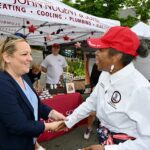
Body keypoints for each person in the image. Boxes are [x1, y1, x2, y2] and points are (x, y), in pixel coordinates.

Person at [56, 26, 150, 150]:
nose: (96, 53)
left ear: (116, 56)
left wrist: (108, 149)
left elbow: (147, 142)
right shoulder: (105, 74)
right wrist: (68, 121)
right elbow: (92, 101)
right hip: (105, 137)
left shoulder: (140, 89)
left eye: (101, 49)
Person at [0, 37, 66, 150]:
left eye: (30, 54)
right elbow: (18, 125)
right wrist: (50, 126)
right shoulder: (2, 83)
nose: (30, 59)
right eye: (25, 54)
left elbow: (35, 103)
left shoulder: (24, 77)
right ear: (7, 57)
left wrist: (52, 113)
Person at [84, 63, 102, 140]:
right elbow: (92, 79)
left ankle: (101, 126)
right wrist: (93, 86)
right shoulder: (96, 65)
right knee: (92, 112)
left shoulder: (114, 67)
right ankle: (89, 128)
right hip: (96, 92)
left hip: (107, 94)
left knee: (104, 111)